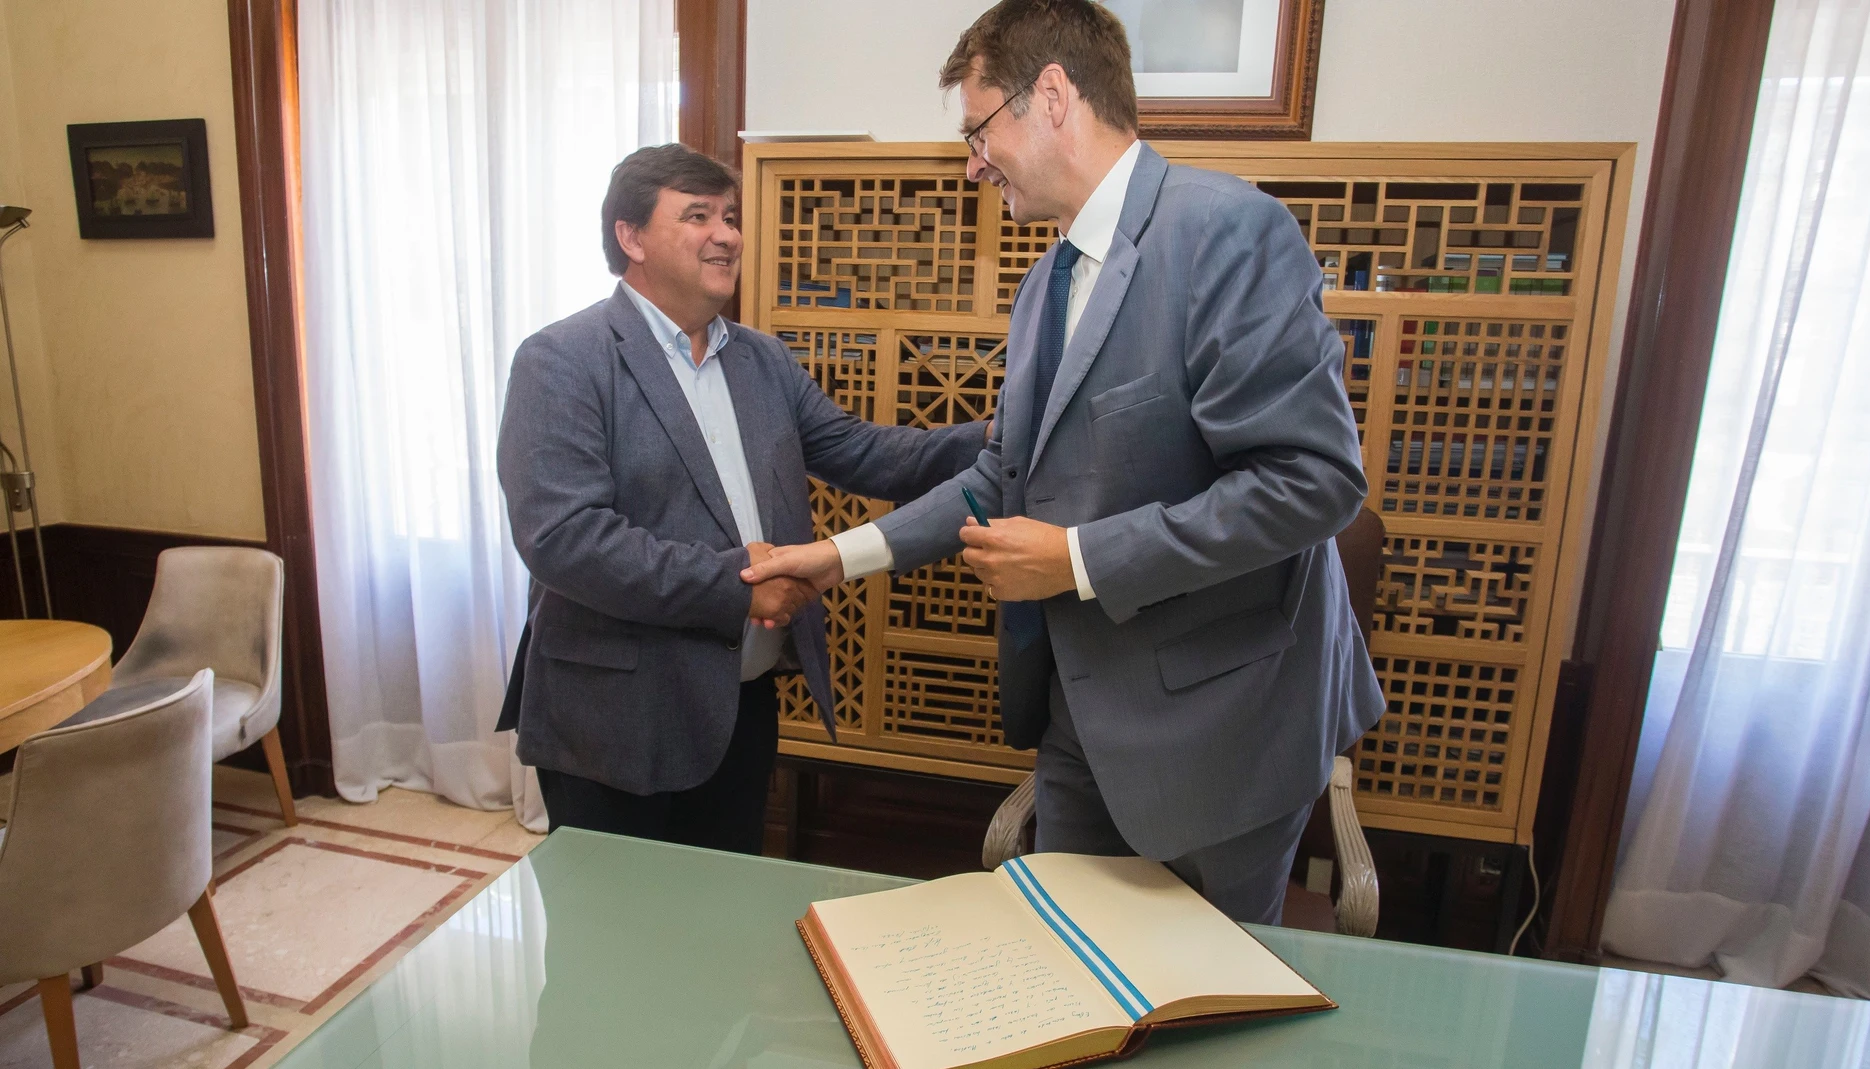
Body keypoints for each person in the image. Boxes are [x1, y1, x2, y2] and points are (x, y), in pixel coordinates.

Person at [743, 0, 1383, 924]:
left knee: (1212, 1009)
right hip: (1080, 718)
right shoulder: (1046, 281)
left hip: (1225, 724)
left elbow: (1312, 483)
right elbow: (996, 477)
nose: (971, 163)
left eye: (976, 130)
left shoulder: (1228, 233)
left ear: (1050, 97)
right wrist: (836, 558)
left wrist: (1078, 560)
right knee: (1071, 978)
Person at [496, 144, 987, 851]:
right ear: (630, 237)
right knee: (618, 943)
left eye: (729, 216)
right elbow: (565, 539)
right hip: (614, 721)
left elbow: (867, 453)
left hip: (739, 706)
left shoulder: (761, 358)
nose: (726, 233)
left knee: (720, 931)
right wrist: (738, 586)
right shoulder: (562, 360)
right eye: (698, 216)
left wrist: (1005, 432)